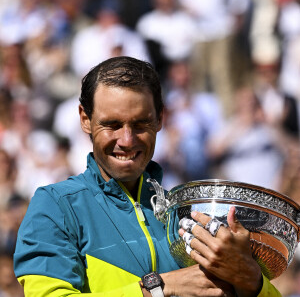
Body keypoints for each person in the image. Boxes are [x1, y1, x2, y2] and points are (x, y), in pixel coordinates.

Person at [14, 56, 281, 296]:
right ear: (85, 119)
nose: (127, 140)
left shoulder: (187, 213)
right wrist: (160, 287)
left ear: (160, 119)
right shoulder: (55, 206)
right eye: (113, 125)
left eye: (141, 124)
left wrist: (250, 280)